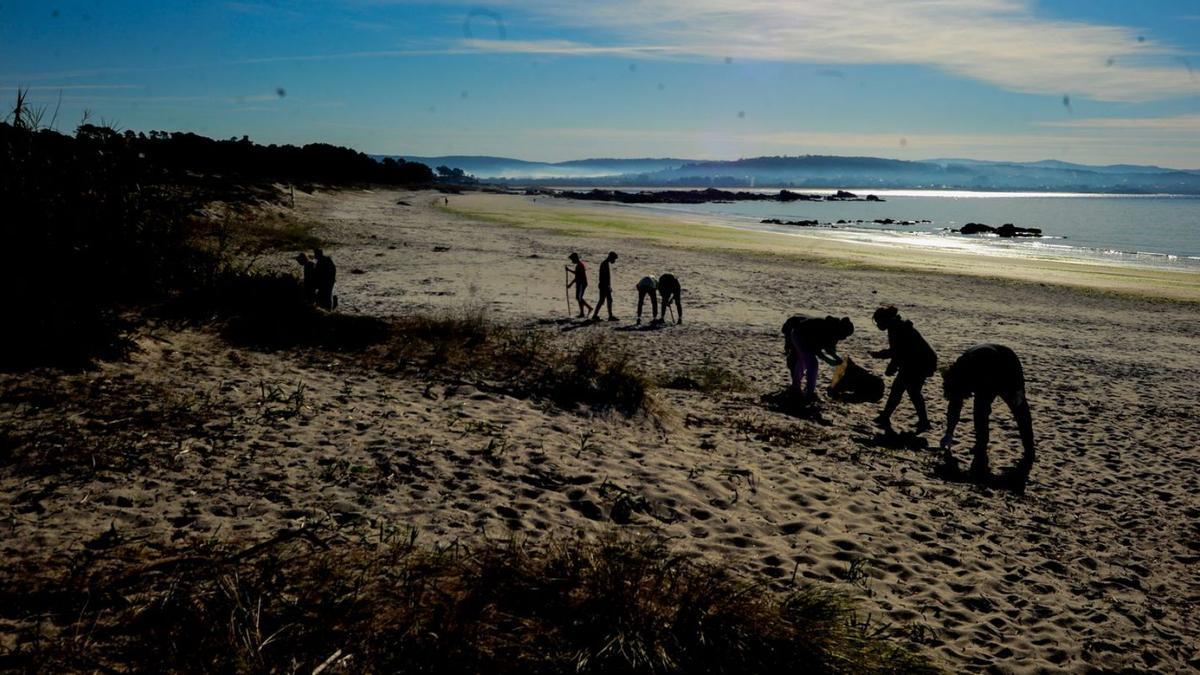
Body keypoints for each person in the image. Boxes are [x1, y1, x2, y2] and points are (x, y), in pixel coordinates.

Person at [939, 344, 1035, 480]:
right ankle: (981, 444)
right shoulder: (958, 374)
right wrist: (949, 433)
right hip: (987, 364)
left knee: (1019, 409)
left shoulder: (975, 374)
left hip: (1008, 366)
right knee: (980, 411)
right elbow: (955, 403)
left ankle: (1029, 450)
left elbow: (968, 399)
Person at [869, 305, 936, 433]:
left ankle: (923, 421)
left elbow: (897, 352)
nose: (878, 325)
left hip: (920, 362)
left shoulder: (896, 328)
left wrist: (883, 359)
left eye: (879, 322)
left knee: (911, 391)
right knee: (900, 389)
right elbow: (898, 352)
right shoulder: (896, 326)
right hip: (916, 360)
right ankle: (886, 416)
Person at [781, 315, 854, 397]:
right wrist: (828, 360)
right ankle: (808, 392)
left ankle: (797, 387)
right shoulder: (825, 327)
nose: (844, 338)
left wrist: (837, 358)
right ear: (841, 329)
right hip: (799, 335)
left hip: (803, 336)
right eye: (845, 335)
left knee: (804, 360)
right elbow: (816, 350)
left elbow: (829, 349)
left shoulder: (835, 333)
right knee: (812, 364)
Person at [591, 251, 619, 321]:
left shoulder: (605, 263)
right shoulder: (604, 264)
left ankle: (606, 315)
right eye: (614, 259)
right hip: (604, 285)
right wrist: (607, 286)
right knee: (604, 300)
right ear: (610, 257)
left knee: (605, 300)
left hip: (604, 285)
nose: (614, 261)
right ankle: (598, 315)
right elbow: (604, 277)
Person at [565, 252, 593, 318]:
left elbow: (577, 275)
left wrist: (569, 271)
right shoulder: (578, 265)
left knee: (579, 298)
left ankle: (588, 309)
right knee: (578, 298)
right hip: (579, 283)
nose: (572, 261)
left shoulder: (580, 265)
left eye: (572, 259)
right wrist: (570, 284)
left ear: (575, 258)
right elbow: (577, 276)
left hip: (582, 284)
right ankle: (582, 312)